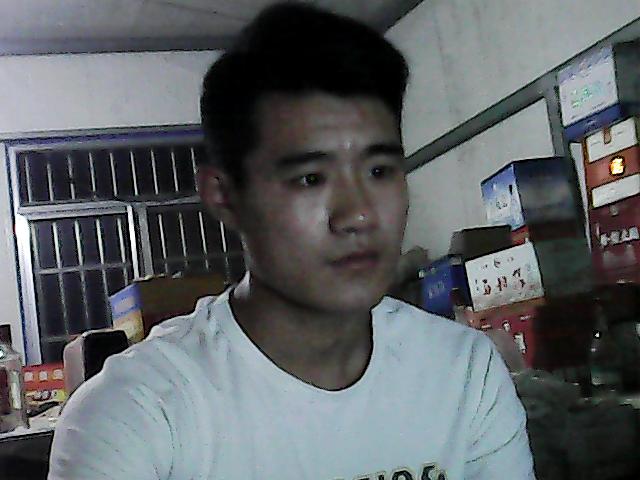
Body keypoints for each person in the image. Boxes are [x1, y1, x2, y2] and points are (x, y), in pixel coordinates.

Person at [48, 3, 535, 479]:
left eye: (379, 170)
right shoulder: (135, 415)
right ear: (224, 196)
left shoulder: (464, 374)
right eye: (310, 179)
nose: (359, 214)